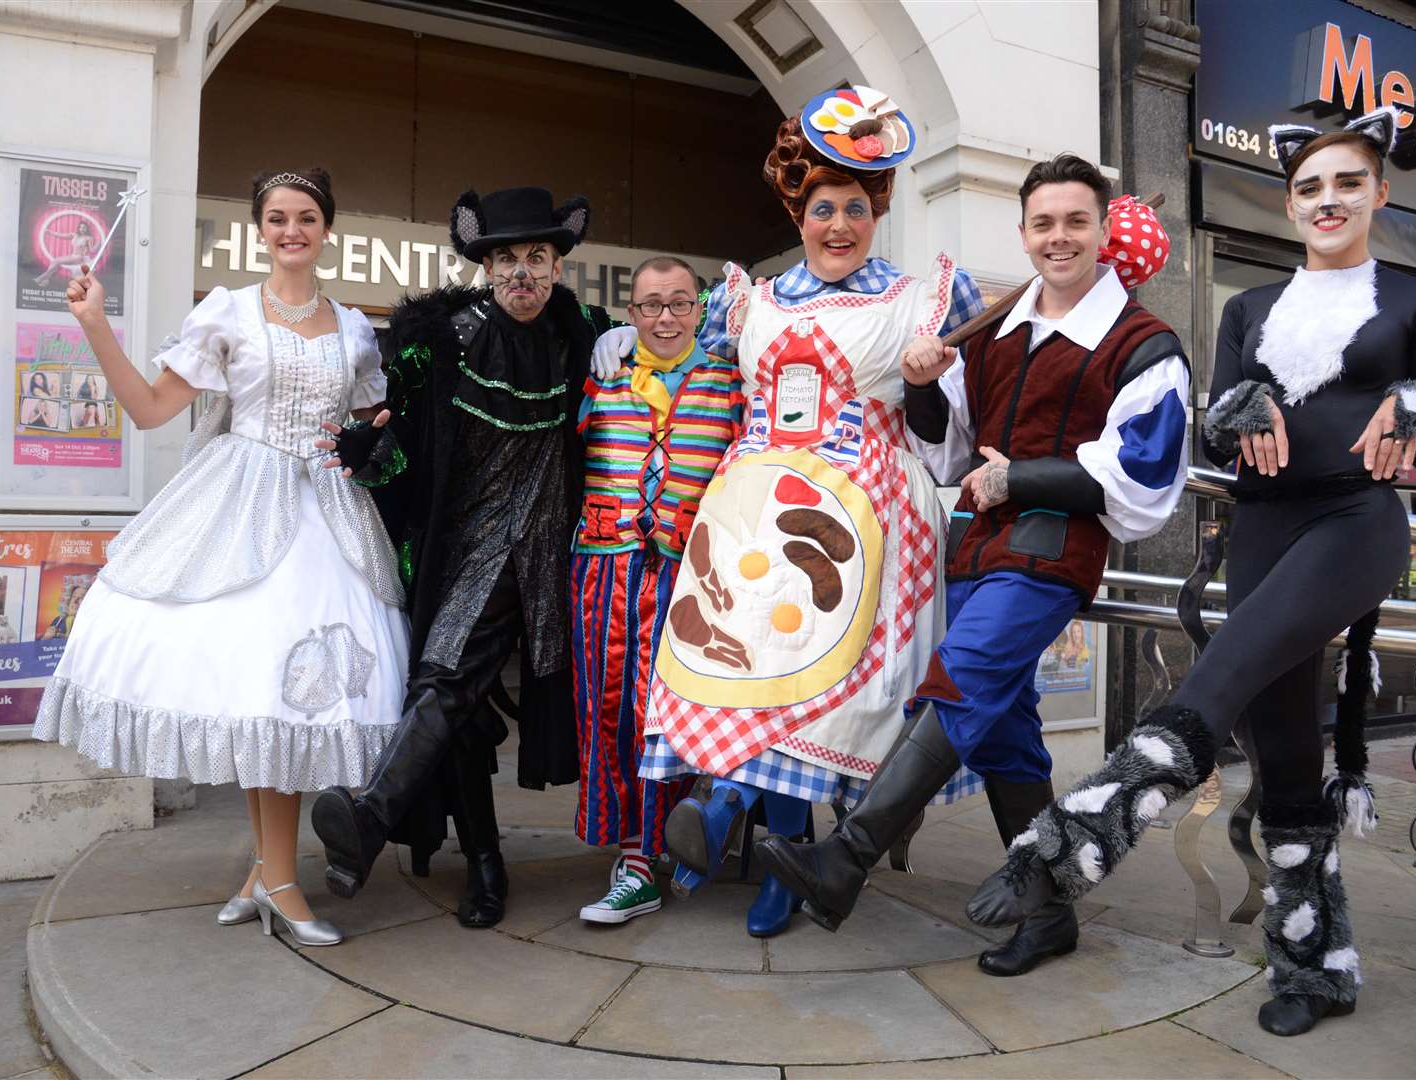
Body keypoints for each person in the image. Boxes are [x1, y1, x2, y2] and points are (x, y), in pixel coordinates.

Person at [966, 108, 1416, 1035]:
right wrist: (1241, 409)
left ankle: (1076, 838)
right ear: (1289, 201)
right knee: (1281, 750)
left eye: (1348, 183)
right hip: (1264, 528)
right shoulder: (1247, 309)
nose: (1328, 201)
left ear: (1380, 192)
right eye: (1311, 187)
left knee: (1218, 677)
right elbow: (1217, 438)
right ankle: (1314, 963)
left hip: (1357, 522)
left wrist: (1415, 405)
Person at [759, 151, 1190, 976]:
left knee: (962, 680)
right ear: (1024, 233)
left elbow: (1144, 475)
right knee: (1003, 733)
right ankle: (1049, 913)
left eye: (1075, 221)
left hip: (1052, 552)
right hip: (977, 546)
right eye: (1043, 223)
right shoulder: (999, 327)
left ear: (1103, 231)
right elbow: (947, 442)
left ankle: (842, 861)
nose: (1058, 237)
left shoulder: (1144, 342)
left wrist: (1019, 477)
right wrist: (924, 381)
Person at [603, 87, 986, 939]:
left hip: (869, 509)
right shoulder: (750, 300)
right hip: (754, 509)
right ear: (797, 211)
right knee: (747, 670)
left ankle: (733, 806)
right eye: (822, 208)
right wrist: (617, 345)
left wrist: (923, 384)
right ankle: (768, 848)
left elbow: (945, 436)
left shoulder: (919, 301)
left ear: (878, 209)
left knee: (817, 681)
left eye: (855, 206)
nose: (839, 224)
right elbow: (686, 375)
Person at [33, 168, 410, 948]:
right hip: (239, 506)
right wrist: (96, 325)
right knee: (260, 696)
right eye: (276, 218)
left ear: (327, 229)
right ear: (259, 229)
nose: (291, 231)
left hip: (329, 515)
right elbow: (148, 409)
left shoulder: (353, 328)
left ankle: (266, 873)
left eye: (306, 217)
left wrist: (377, 431)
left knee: (287, 701)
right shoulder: (228, 311)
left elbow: (376, 414)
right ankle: (276, 878)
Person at [312, 186, 613, 929]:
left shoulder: (588, 338)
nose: (522, 273)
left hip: (553, 559)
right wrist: (369, 451)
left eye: (537, 258)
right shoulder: (440, 343)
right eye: (506, 258)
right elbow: (399, 454)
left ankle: (376, 820)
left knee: (451, 689)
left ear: (558, 264)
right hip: (466, 553)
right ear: (484, 263)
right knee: (457, 702)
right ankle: (479, 862)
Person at [570, 256, 741, 925]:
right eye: (649, 305)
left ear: (699, 309)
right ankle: (633, 847)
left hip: (691, 574)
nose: (664, 318)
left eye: (678, 303)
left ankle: (650, 855)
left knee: (664, 715)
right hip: (604, 568)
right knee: (605, 712)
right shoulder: (600, 375)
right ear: (631, 312)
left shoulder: (732, 380)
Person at [35, 218, 98, 287]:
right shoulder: (74, 235)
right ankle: (46, 280)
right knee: (54, 262)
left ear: (87, 229)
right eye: (80, 227)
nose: (82, 229)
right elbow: (60, 235)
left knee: (56, 261)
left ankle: (42, 279)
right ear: (78, 228)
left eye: (84, 228)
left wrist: (99, 243)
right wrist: (50, 232)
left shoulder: (89, 238)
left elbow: (92, 250)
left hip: (79, 257)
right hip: (72, 256)